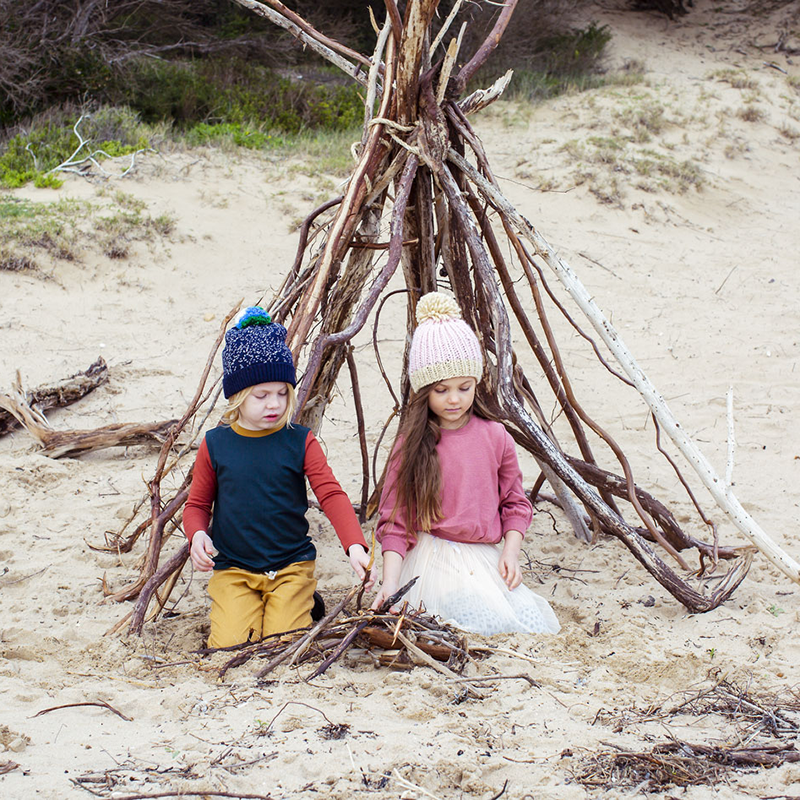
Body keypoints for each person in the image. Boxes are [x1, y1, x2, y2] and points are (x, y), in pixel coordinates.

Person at [371, 292, 560, 635]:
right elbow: (395, 521)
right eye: (441, 390)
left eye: (464, 386)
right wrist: (390, 582)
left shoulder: (496, 436)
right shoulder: (410, 445)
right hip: (431, 560)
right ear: (424, 391)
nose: (454, 399)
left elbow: (515, 503)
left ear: (477, 383)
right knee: (460, 622)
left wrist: (511, 552)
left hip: (483, 558)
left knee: (523, 622)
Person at [184, 306, 373, 648]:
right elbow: (197, 504)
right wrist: (197, 534)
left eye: (282, 393)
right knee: (230, 645)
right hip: (234, 570)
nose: (274, 404)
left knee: (281, 641)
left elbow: (330, 494)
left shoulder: (299, 441)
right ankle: (254, 609)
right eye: (261, 395)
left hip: (289, 567)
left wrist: (355, 544)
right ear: (238, 396)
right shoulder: (216, 444)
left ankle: (302, 600)